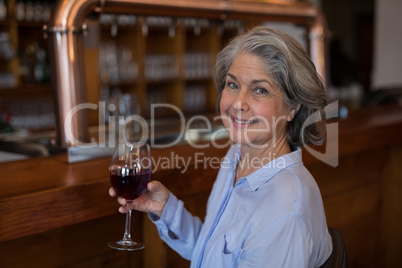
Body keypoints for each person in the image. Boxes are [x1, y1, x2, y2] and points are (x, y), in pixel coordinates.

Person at [110, 26, 332, 267]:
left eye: (260, 90)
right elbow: (210, 253)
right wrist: (164, 209)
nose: (238, 103)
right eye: (233, 85)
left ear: (293, 108)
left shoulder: (287, 208)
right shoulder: (236, 157)